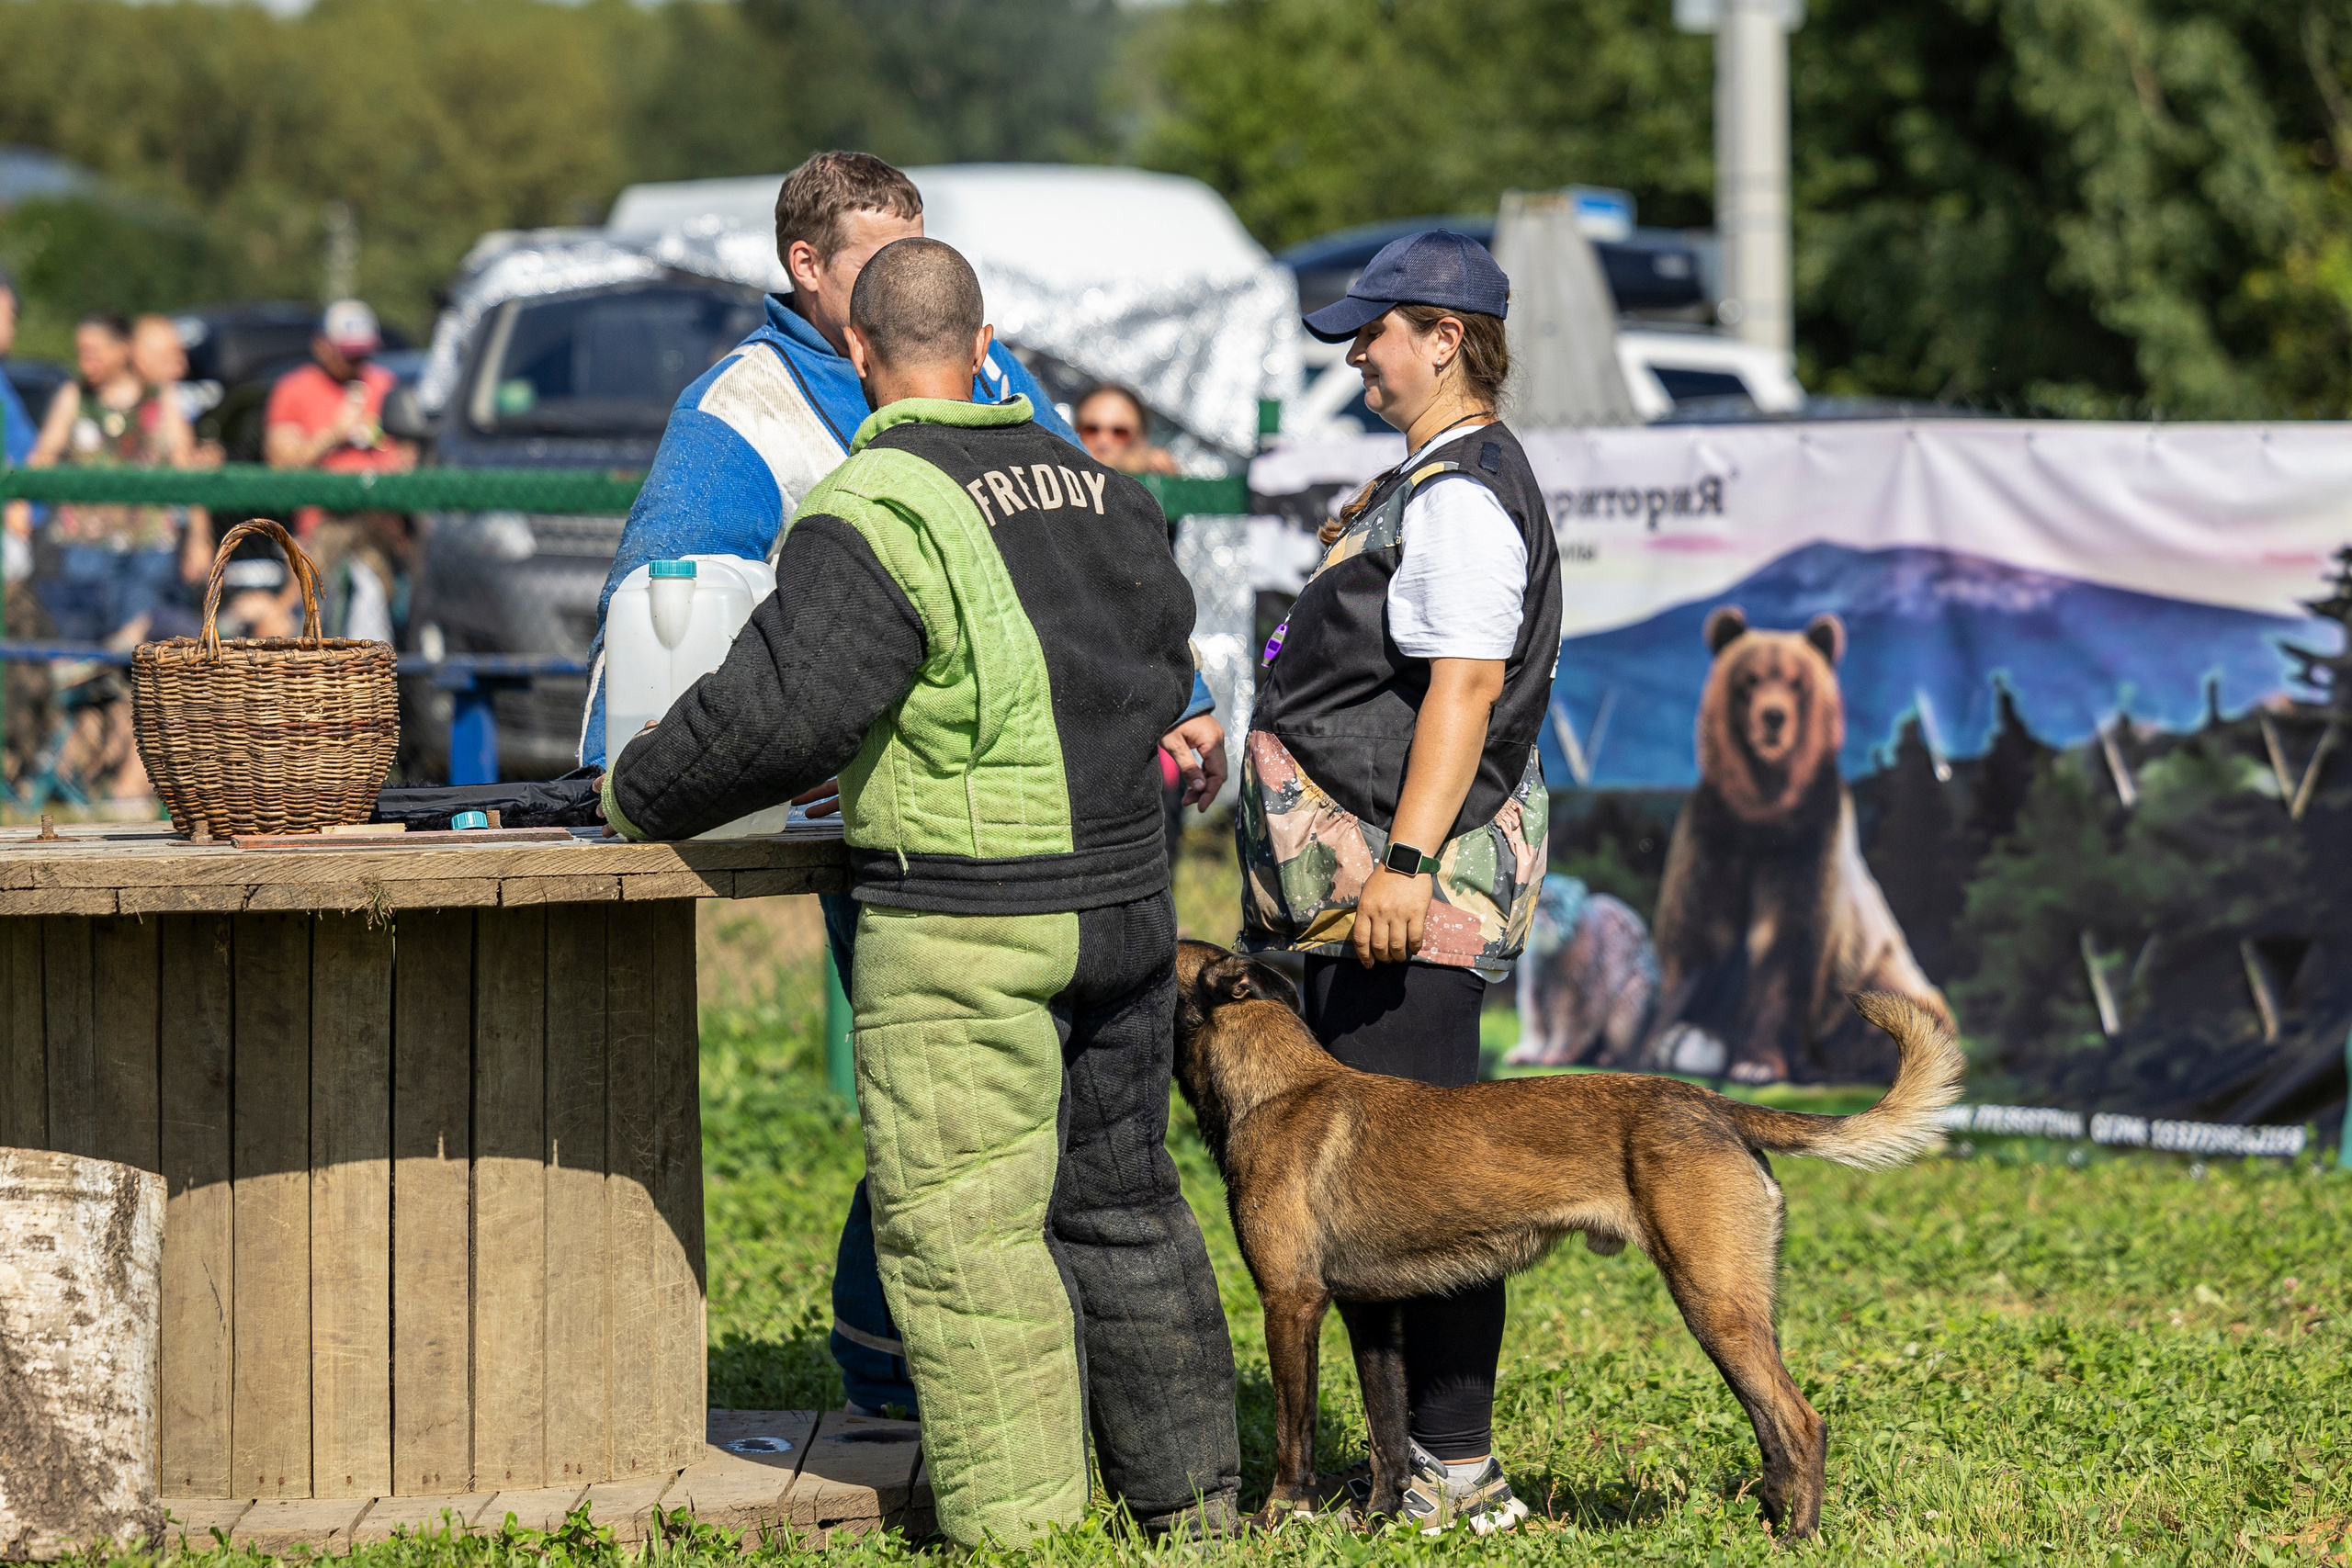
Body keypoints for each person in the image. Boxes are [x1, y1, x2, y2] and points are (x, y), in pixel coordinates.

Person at [601, 237, 1242, 1546]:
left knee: (968, 1241)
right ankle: (1195, 1502)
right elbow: (1162, 658)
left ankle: (1022, 1533)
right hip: (1128, 909)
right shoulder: (1105, 489)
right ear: (986, 337)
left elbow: (782, 708)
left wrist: (633, 788)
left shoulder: (877, 504)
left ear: (856, 351)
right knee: (1124, 1206)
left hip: (969, 927)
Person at [1235, 231, 1563, 1534]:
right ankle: (1397, 1472)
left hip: (1401, 897)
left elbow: (1467, 689)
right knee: (1378, 1198)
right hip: (1367, 889)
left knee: (1435, 1197)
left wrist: (1409, 865)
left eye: (1374, 333)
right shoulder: (1430, 476)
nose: (1357, 356)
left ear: (1444, 336)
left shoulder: (1465, 494)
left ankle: (1457, 1469)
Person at [25, 310, 195, 647]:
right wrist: (23, 498)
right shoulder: (76, 398)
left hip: (149, 544)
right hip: (86, 545)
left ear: (122, 350)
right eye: (81, 351)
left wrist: (198, 536)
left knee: (144, 651)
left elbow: (187, 469)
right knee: (81, 647)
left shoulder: (159, 400)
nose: (86, 361)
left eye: (94, 351)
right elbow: (43, 455)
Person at [264, 300, 413, 641]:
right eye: (348, 353)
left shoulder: (385, 384)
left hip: (379, 527)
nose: (356, 362)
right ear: (322, 347)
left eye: (362, 353)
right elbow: (279, 463)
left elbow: (406, 454)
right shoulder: (294, 389)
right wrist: (335, 434)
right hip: (320, 530)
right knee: (314, 617)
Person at [1074, 383, 1177, 475]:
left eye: (1119, 433)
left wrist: (1168, 482)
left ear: (1141, 439)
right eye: (1091, 430)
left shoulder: (1158, 476)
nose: (1103, 441)